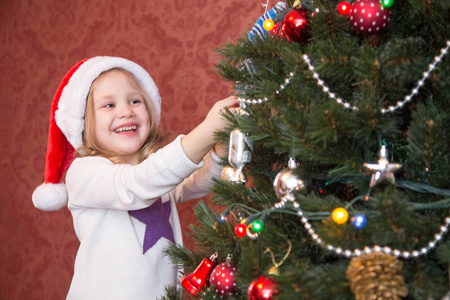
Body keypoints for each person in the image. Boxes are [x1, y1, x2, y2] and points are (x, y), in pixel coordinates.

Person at [32, 56, 237, 299]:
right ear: (84, 124)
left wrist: (224, 143)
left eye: (135, 101)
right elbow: (136, 184)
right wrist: (205, 132)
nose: (126, 111)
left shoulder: (153, 171)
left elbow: (198, 179)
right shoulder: (84, 172)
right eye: (108, 105)